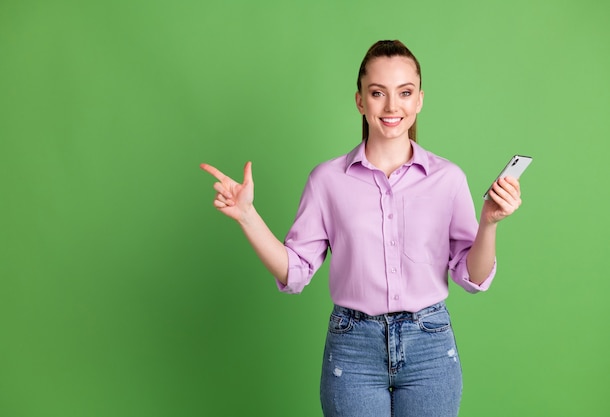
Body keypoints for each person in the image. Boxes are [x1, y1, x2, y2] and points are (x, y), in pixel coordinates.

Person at [200, 40, 522, 417]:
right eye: (377, 93)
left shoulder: (448, 179)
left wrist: (489, 223)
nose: (392, 106)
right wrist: (248, 216)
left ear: (419, 100)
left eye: (404, 93)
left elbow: (473, 276)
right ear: (360, 101)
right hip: (352, 348)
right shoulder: (327, 181)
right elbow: (295, 271)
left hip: (429, 346)